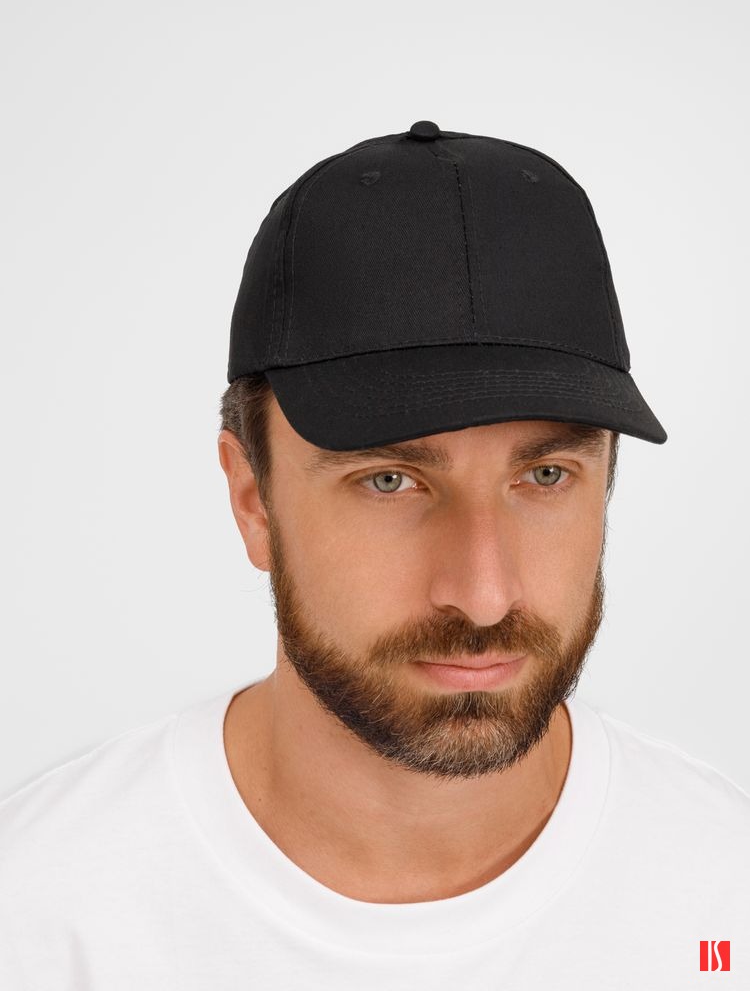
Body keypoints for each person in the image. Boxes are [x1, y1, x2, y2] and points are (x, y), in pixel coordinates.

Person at [0, 120, 747, 989]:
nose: (483, 593)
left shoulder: (723, 896)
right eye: (390, 481)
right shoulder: (41, 919)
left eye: (545, 475)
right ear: (253, 499)